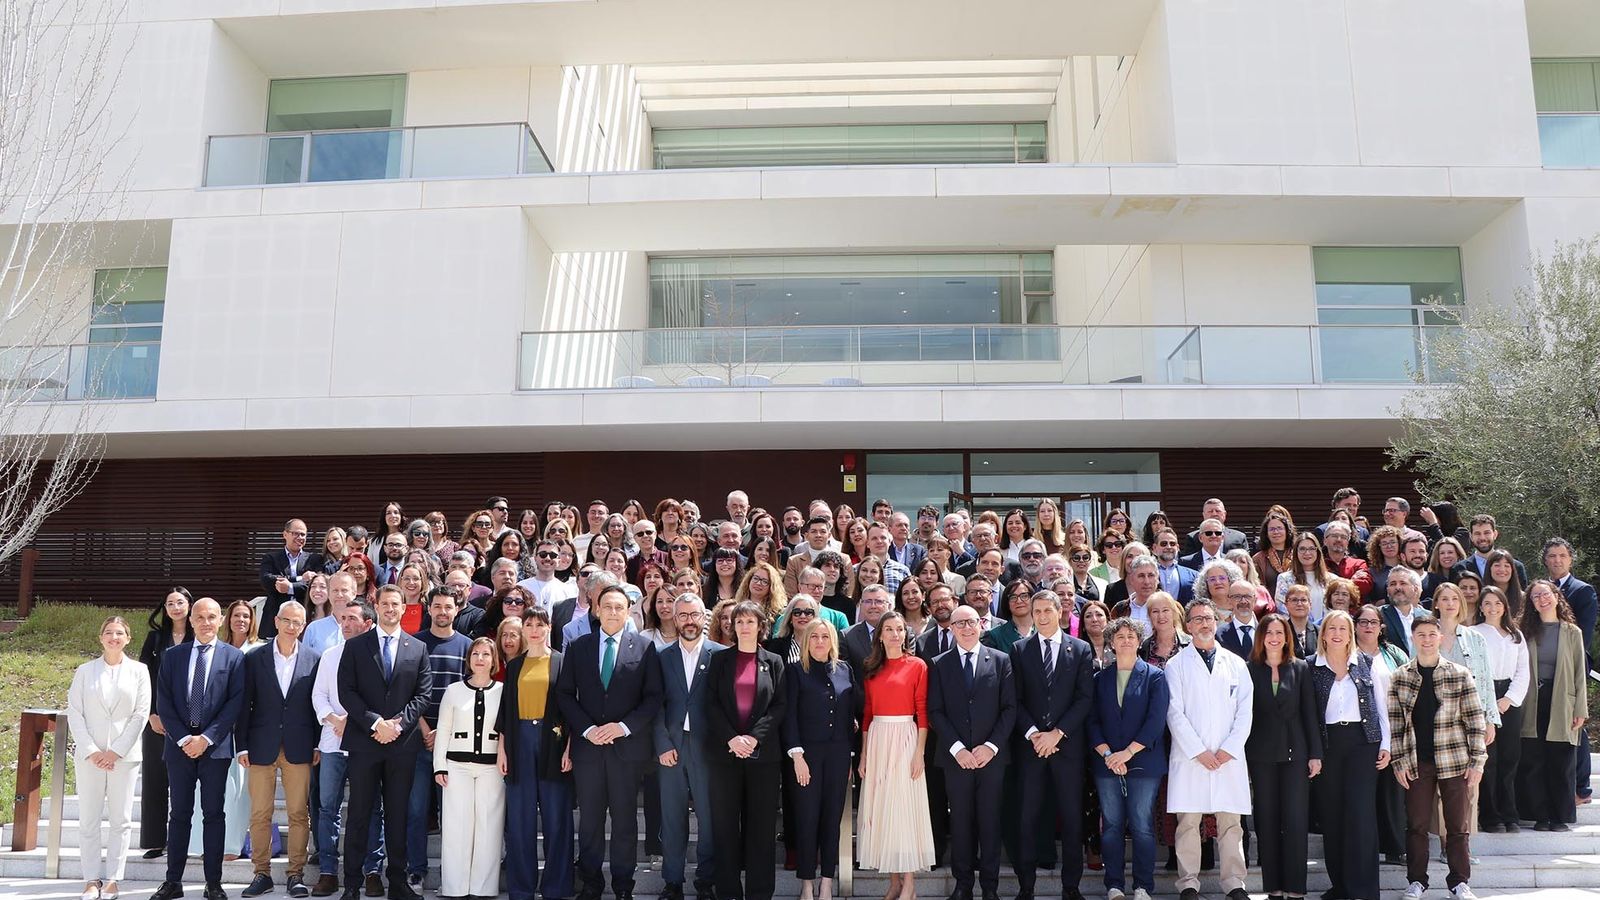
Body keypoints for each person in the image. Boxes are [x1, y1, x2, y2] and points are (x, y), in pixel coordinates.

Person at [557, 585, 664, 900]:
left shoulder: (644, 648)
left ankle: (623, 886)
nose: (614, 612)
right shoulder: (579, 647)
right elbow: (564, 694)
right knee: (589, 820)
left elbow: (653, 697)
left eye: (620, 607)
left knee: (625, 821)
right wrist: (587, 729)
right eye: (608, 606)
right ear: (596, 609)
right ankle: (591, 883)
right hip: (589, 749)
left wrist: (624, 727)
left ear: (629, 610)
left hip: (626, 751)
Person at [336, 585, 434, 900]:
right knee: (360, 814)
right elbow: (346, 691)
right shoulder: (356, 645)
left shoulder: (417, 648)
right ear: (376, 606)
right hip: (365, 742)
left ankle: (398, 883)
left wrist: (398, 724)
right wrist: (376, 723)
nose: (390, 609)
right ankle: (352, 884)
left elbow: (423, 694)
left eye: (396, 604)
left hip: (401, 745)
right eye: (385, 604)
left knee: (397, 814)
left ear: (405, 608)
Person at [151, 597, 247, 900]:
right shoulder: (172, 656)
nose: (206, 622)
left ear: (221, 621)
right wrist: (183, 739)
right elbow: (163, 701)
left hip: (215, 749)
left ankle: (213, 883)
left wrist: (206, 739)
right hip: (178, 747)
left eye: (212, 617)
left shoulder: (234, 658)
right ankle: (172, 882)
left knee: (214, 814)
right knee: (179, 814)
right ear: (191, 620)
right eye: (200, 617)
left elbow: (235, 703)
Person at [1388, 614, 1487, 900]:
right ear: (1413, 638)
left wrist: (1477, 761)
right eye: (1421, 635)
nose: (1427, 640)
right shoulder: (1400, 677)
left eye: (1432, 634)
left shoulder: (1459, 674)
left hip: (1454, 759)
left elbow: (1474, 720)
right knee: (1417, 825)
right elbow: (1396, 725)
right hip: (1417, 762)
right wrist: (1399, 762)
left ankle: (1459, 882)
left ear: (1440, 638)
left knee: (1458, 826)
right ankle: (1416, 881)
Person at [1163, 598, 1252, 900]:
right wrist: (1199, 751)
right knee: (1188, 823)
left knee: (1231, 823)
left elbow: (1245, 711)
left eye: (1208, 618)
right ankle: (1188, 883)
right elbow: (1174, 712)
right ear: (1187, 626)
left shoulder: (1237, 664)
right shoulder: (1176, 665)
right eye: (1197, 619)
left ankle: (1234, 884)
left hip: (1228, 757)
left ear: (1217, 622)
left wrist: (1229, 749)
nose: (1204, 623)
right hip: (1192, 758)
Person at [1009, 589, 1095, 900]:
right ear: (1031, 614)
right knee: (1027, 819)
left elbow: (1084, 698)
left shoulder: (1081, 649)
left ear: (1060, 612)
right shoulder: (1019, 650)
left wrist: (1057, 734)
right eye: (1038, 611)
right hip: (1030, 749)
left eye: (1048, 610)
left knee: (1072, 819)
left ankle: (1071, 888)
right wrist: (1035, 734)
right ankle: (1026, 887)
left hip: (1067, 748)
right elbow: (1014, 700)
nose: (1043, 616)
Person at [927, 605, 1016, 900]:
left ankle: (990, 888)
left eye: (972, 622)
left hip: (992, 758)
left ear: (981, 625)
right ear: (951, 628)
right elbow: (935, 711)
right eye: (959, 623)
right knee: (961, 823)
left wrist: (990, 747)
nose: (966, 627)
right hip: (956, 760)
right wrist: (957, 750)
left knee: (990, 822)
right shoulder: (939, 664)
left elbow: (1009, 708)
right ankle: (962, 885)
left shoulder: (1001, 661)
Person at [705, 601, 788, 900]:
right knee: (725, 826)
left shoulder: (774, 661)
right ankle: (727, 892)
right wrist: (732, 738)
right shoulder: (720, 660)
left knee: (761, 829)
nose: (744, 626)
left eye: (750, 621)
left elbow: (779, 705)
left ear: (760, 626)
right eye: (738, 621)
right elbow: (711, 704)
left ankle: (759, 893)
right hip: (725, 756)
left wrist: (753, 738)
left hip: (763, 758)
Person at [237, 601, 320, 900]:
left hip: (299, 746)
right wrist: (241, 745)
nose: (291, 627)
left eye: (297, 622)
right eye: (286, 620)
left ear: (303, 625)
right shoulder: (255, 657)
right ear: (275, 621)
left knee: (299, 813)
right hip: (260, 745)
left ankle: (295, 875)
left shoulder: (314, 659)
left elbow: (316, 705)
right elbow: (244, 704)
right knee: (260, 813)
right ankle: (261, 874)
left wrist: (317, 743)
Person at [69, 615, 153, 900]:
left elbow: (141, 714)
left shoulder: (140, 671)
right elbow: (75, 712)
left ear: (128, 638)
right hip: (89, 757)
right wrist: (93, 751)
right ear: (100, 637)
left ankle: (114, 879)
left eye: (119, 633)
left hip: (124, 757)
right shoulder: (84, 671)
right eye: (108, 632)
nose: (113, 637)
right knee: (89, 819)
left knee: (121, 819)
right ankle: (91, 880)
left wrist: (115, 750)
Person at [1309, 608, 1391, 900]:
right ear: (1323, 634)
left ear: (1351, 634)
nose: (1337, 634)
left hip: (1362, 744)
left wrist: (1386, 744)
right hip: (1328, 746)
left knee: (1361, 815)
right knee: (1332, 816)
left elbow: (1381, 706)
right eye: (1332, 628)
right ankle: (1341, 887)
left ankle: (1364, 889)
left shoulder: (1367, 663)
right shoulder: (1311, 666)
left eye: (1343, 629)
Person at [1089, 617, 1169, 900]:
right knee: (1111, 825)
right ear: (1111, 642)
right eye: (1119, 636)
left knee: (1141, 824)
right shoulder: (1100, 679)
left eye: (1131, 636)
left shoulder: (1155, 676)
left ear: (1139, 641)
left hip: (1143, 762)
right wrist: (1110, 754)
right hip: (1106, 762)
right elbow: (1093, 721)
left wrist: (1128, 752)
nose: (1125, 641)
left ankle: (1143, 886)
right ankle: (1114, 885)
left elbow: (1156, 721)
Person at [856, 611, 935, 898]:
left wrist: (919, 753)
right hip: (877, 740)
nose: (894, 634)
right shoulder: (870, 667)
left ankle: (910, 884)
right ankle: (893, 882)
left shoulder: (917, 666)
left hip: (905, 738)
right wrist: (864, 756)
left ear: (905, 633)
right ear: (880, 635)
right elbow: (866, 714)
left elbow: (923, 711)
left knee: (903, 810)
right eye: (888, 629)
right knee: (883, 810)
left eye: (899, 629)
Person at [1242, 613, 1321, 900]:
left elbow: (1309, 714)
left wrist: (1315, 754)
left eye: (1279, 632)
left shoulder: (1299, 668)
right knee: (1266, 819)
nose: (1274, 638)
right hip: (1261, 756)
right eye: (1269, 633)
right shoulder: (1249, 670)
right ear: (1260, 637)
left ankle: (1296, 888)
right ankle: (1273, 887)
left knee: (1296, 820)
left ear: (1287, 637)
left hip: (1296, 754)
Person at [310, 600, 385, 898]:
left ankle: (372, 871)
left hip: (366, 744)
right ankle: (328, 871)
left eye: (353, 618)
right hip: (332, 742)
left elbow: (379, 700)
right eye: (343, 619)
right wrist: (333, 720)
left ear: (368, 623)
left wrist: (353, 722)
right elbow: (319, 696)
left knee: (372, 808)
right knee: (328, 808)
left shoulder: (379, 655)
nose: (346, 623)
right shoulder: (330, 656)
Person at [500, 607, 575, 900]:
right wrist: (502, 751)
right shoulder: (515, 665)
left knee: (557, 818)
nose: (534, 629)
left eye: (539, 624)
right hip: (519, 741)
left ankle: (556, 887)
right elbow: (505, 711)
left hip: (553, 743)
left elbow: (570, 709)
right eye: (529, 624)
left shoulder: (561, 662)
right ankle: (521, 888)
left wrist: (570, 747)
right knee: (520, 820)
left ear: (549, 627)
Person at [654, 594, 724, 900]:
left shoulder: (721, 655)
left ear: (704, 618)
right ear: (674, 618)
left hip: (707, 747)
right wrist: (661, 743)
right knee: (672, 818)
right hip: (671, 747)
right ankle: (672, 881)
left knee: (709, 819)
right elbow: (653, 705)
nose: (689, 621)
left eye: (694, 615)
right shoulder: (660, 656)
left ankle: (705, 882)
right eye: (683, 615)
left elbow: (725, 705)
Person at [784, 619, 858, 900]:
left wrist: (850, 755)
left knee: (831, 820)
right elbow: (789, 716)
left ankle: (827, 881)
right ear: (806, 640)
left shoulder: (844, 670)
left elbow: (850, 713)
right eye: (814, 636)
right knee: (807, 819)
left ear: (832, 641)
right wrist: (797, 755)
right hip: (807, 757)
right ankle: (807, 883)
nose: (819, 641)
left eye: (825, 636)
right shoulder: (795, 671)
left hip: (838, 756)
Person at [431, 637, 505, 900]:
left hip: (491, 767)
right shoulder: (453, 691)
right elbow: (444, 731)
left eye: (486, 654)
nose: (480, 658)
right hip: (457, 766)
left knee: (489, 825)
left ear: (493, 660)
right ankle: (455, 887)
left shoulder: (503, 691)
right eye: (476, 653)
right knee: (456, 826)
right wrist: (440, 765)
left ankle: (484, 888)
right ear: (469, 658)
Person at [1518, 579, 1588, 832]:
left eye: (1545, 594)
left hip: (1563, 700)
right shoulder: (1524, 631)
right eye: (1535, 596)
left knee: (1561, 761)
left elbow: (1580, 671)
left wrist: (1581, 708)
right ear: (1531, 603)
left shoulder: (1572, 632)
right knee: (1534, 760)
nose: (1541, 599)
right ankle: (1540, 816)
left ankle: (1560, 817)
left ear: (1556, 596)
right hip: (1531, 700)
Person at [139, 589, 194, 861]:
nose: (175, 607)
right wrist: (151, 713)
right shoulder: (155, 639)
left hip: (191, 723)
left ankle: (186, 840)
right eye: (170, 603)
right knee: (155, 779)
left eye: (180, 602)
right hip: (158, 720)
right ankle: (155, 840)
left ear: (189, 605)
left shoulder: (200, 637)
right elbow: (143, 677)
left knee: (185, 783)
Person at [1540, 537, 1595, 805]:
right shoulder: (1539, 592)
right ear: (1545, 560)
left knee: (1576, 724)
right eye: (1552, 556)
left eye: (1562, 555)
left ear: (1570, 559)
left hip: (1572, 668)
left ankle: (1582, 788)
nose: (1557, 560)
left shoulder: (1582, 591)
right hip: (1544, 670)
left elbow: (1583, 636)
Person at [1472, 586, 1528, 832]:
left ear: (1505, 606)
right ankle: (1490, 815)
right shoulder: (1474, 633)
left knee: (1510, 757)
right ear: (1481, 607)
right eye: (1487, 603)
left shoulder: (1516, 635)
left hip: (1509, 699)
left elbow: (1523, 670)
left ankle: (1510, 813)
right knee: (1489, 758)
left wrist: (1509, 699)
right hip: (1484, 695)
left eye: (1497, 603)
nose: (1492, 607)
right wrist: (1488, 703)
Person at [260, 520, 312, 639]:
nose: (300, 537)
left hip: (304, 621)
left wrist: (290, 587)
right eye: (296, 534)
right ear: (285, 534)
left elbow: (312, 585)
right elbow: (266, 579)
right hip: (275, 619)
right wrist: (299, 578)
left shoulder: (313, 559)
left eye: (303, 534)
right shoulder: (271, 558)